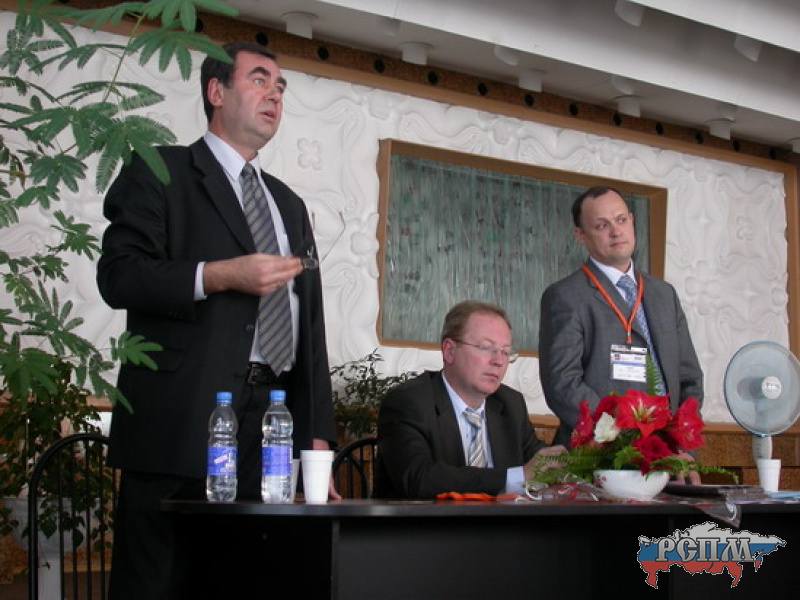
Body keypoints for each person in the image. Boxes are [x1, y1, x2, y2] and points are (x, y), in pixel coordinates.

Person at [96, 42, 337, 599]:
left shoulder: (288, 204)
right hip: (181, 417)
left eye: (281, 87)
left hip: (271, 423)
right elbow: (120, 276)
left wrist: (317, 435)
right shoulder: (160, 170)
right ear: (216, 91)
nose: (275, 95)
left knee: (246, 580)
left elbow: (310, 327)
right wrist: (219, 275)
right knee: (156, 584)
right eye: (260, 80)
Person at [538, 186, 703, 449]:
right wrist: (618, 438)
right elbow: (562, 383)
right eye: (602, 225)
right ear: (581, 236)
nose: (616, 231)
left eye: (621, 220)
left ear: (632, 221)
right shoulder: (565, 296)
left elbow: (690, 378)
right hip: (601, 453)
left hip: (668, 452)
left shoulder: (664, 294)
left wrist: (683, 447)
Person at [374, 301, 565, 499]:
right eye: (486, 347)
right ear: (449, 351)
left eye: (506, 352)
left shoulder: (510, 404)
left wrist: (572, 462)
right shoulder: (409, 402)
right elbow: (419, 479)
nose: (499, 361)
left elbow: (538, 460)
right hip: (427, 519)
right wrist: (517, 477)